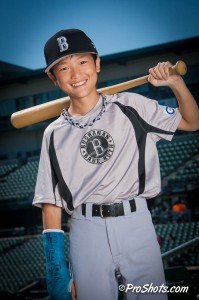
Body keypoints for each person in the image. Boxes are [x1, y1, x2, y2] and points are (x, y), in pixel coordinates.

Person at [33, 29, 199, 300]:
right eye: (63, 67)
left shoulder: (131, 106)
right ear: (53, 77)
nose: (75, 74)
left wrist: (176, 84)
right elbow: (51, 203)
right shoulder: (53, 133)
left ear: (97, 64)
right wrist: (56, 271)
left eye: (82, 62)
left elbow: (193, 122)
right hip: (86, 230)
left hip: (136, 222)